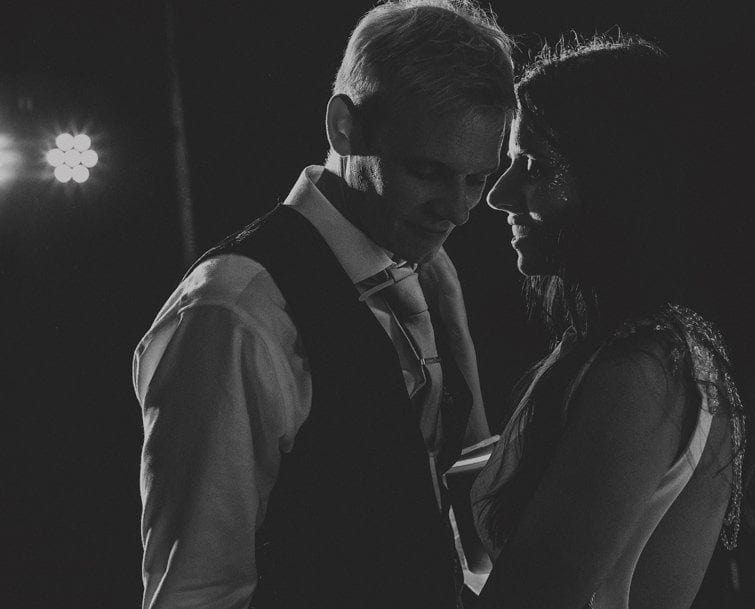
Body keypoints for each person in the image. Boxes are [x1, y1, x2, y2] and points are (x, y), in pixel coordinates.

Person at [132, 2, 514, 607]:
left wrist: (457, 337)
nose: (459, 209)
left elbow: (450, 537)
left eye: (476, 179)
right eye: (427, 170)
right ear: (345, 128)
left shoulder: (426, 268)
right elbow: (197, 589)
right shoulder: (236, 310)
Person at [469, 35, 750, 609]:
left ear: (618, 181)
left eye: (536, 166)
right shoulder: (624, 348)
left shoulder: (643, 374)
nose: (500, 195)